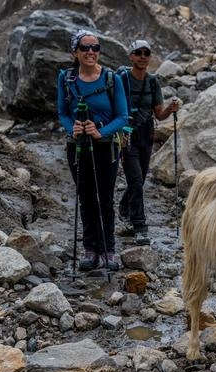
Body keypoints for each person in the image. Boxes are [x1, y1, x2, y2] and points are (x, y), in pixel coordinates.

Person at [57, 29, 128, 271]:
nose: (91, 52)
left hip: (105, 148)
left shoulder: (111, 79)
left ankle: (108, 249)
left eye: (95, 48)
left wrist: (101, 131)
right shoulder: (66, 79)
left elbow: (122, 116)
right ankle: (90, 249)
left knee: (105, 199)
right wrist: (72, 127)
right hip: (77, 147)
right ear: (75, 52)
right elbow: (62, 114)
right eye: (85, 47)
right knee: (86, 198)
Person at [117, 40, 180, 244]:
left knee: (140, 179)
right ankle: (139, 225)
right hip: (126, 135)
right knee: (135, 180)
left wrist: (170, 109)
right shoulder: (122, 79)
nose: (143, 56)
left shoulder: (153, 82)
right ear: (131, 56)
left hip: (146, 134)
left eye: (146, 53)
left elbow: (159, 114)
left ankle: (125, 207)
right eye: (138, 52)